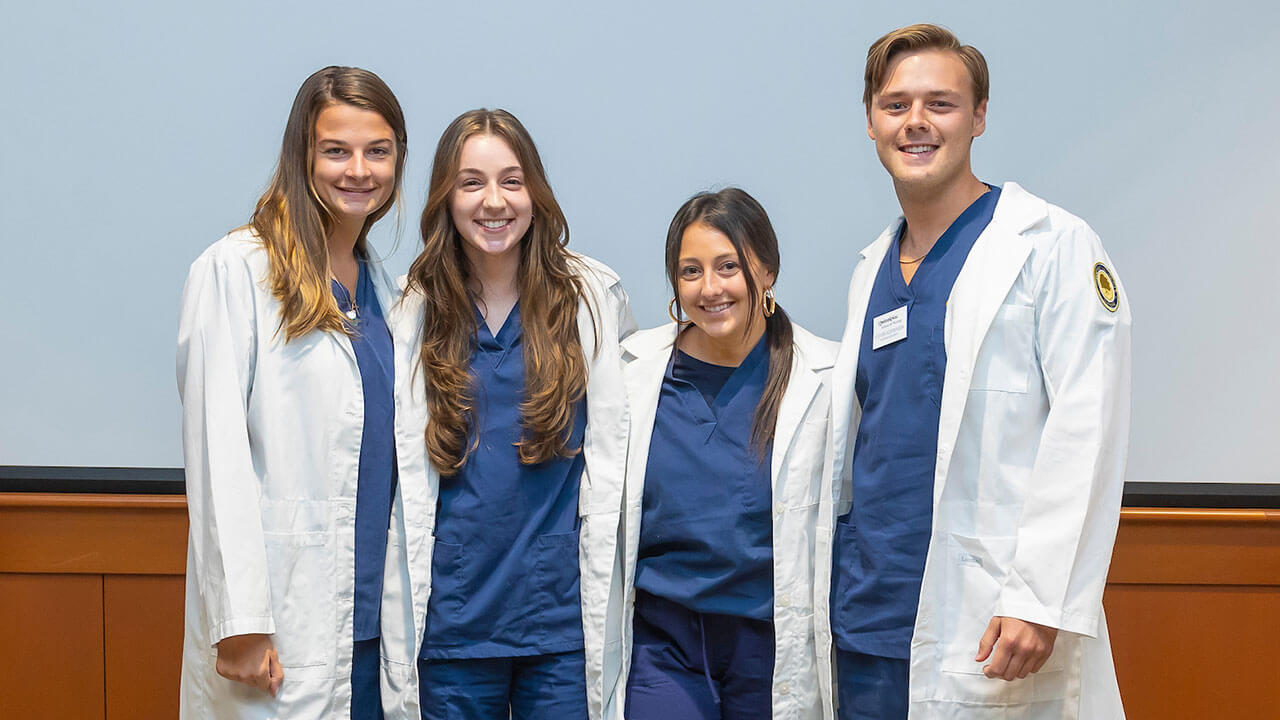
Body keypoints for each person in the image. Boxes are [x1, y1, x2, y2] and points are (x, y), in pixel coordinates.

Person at [817, 24, 1132, 719]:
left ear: (980, 115)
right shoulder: (871, 268)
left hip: (992, 619)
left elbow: (1088, 426)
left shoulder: (1050, 246)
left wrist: (1039, 597)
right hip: (868, 623)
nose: (916, 122)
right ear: (870, 121)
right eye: (896, 104)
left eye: (941, 103)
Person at [379, 109, 634, 720]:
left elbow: (617, 450)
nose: (493, 201)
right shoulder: (413, 310)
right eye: (471, 183)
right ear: (446, 196)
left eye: (511, 181)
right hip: (453, 627)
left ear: (536, 192)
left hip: (560, 629)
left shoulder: (591, 298)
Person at [176, 66, 407, 719]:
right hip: (279, 628)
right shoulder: (238, 270)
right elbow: (217, 455)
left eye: (378, 151)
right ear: (302, 157)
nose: (358, 169)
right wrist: (242, 622)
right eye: (336, 150)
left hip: (371, 631)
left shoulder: (384, 289)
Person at [616, 188, 836, 720]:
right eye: (690, 271)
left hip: (769, 643)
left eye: (728, 266)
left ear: (767, 271)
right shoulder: (632, 374)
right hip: (663, 643)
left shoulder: (824, 378)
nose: (710, 288)